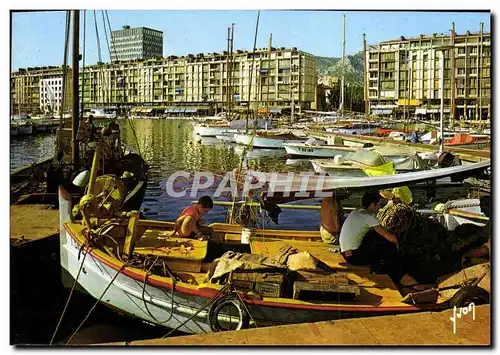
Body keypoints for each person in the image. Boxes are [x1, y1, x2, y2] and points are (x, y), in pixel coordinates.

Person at [339, 190, 399, 266]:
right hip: (354, 258)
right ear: (372, 204)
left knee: (374, 234)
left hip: (346, 254)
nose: (380, 208)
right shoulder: (369, 217)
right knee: (387, 244)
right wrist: (398, 244)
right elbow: (389, 236)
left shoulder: (357, 211)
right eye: (380, 205)